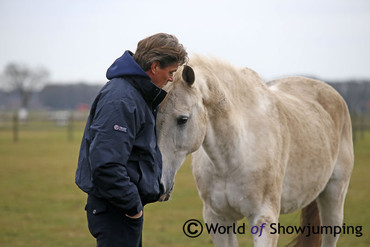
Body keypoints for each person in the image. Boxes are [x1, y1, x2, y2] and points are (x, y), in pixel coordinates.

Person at [75, 33, 188, 247]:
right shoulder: (121, 99)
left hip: (120, 209)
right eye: (171, 72)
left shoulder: (134, 95)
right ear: (155, 67)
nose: (172, 78)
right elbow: (106, 164)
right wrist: (133, 207)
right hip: (117, 211)